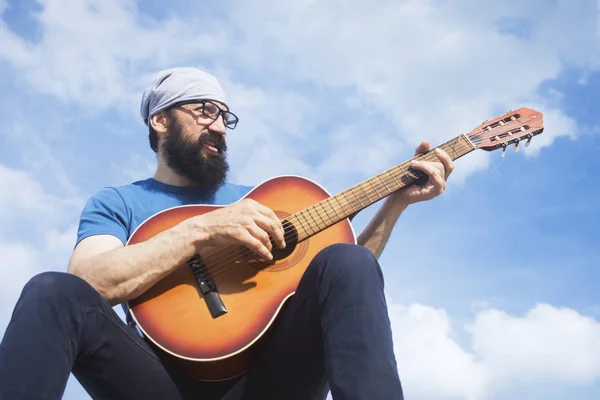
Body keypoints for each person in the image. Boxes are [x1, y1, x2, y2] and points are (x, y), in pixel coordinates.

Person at [0, 67, 454, 400]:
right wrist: (202, 229)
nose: (218, 125)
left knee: (349, 261)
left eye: (225, 117)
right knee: (51, 291)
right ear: (160, 121)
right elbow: (90, 282)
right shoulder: (117, 202)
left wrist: (395, 204)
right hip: (157, 381)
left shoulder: (264, 200)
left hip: (267, 381)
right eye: (204, 111)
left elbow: (346, 287)